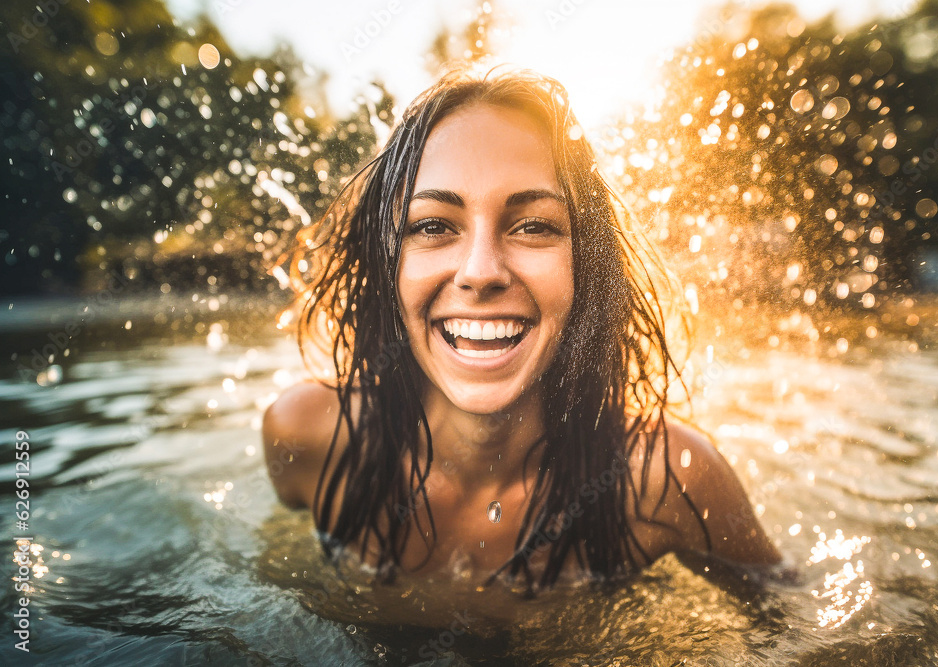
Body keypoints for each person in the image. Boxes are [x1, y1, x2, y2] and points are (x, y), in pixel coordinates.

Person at [262, 64, 780, 593]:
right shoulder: (306, 439)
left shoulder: (669, 480)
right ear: (384, 264)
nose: (481, 272)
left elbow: (788, 630)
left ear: (587, 266)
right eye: (433, 226)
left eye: (534, 226)